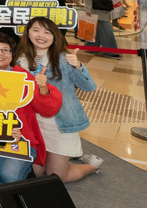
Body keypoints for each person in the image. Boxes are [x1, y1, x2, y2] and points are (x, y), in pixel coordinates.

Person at [0, 33, 62, 187]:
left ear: (12, 54)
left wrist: (43, 88)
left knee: (9, 175)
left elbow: (47, 110)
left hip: (19, 135)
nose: (0, 53)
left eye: (5, 50)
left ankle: (22, 183)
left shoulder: (23, 77)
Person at [17, 17, 103, 182]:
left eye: (47, 32)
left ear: (55, 36)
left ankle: (91, 167)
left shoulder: (63, 58)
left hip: (60, 123)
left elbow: (89, 87)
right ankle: (61, 162)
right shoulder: (20, 59)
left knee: (55, 178)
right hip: (33, 123)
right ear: (28, 33)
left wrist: (77, 66)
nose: (41, 35)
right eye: (36, 30)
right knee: (36, 174)